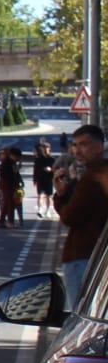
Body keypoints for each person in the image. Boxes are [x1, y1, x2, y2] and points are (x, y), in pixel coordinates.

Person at [56, 124, 108, 297]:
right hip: (99, 257)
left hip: (83, 256)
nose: (77, 151)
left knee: (79, 312)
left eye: (84, 145)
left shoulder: (93, 179)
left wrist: (61, 195)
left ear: (99, 146)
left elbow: (70, 217)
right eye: (75, 145)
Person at [0, 147, 24, 228]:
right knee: (11, 203)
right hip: (7, 184)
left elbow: (16, 173)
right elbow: (8, 174)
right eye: (17, 157)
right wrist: (16, 171)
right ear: (13, 155)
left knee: (6, 203)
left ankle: (1, 221)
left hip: (11, 184)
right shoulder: (6, 163)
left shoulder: (12, 162)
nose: (18, 159)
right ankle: (10, 222)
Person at [35, 138, 57, 218]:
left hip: (49, 179)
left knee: (48, 196)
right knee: (40, 195)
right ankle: (40, 210)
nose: (45, 151)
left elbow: (55, 169)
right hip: (40, 179)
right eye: (43, 149)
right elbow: (35, 169)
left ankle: (47, 210)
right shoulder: (38, 159)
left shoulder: (52, 159)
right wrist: (35, 179)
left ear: (49, 149)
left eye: (47, 149)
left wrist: (51, 169)